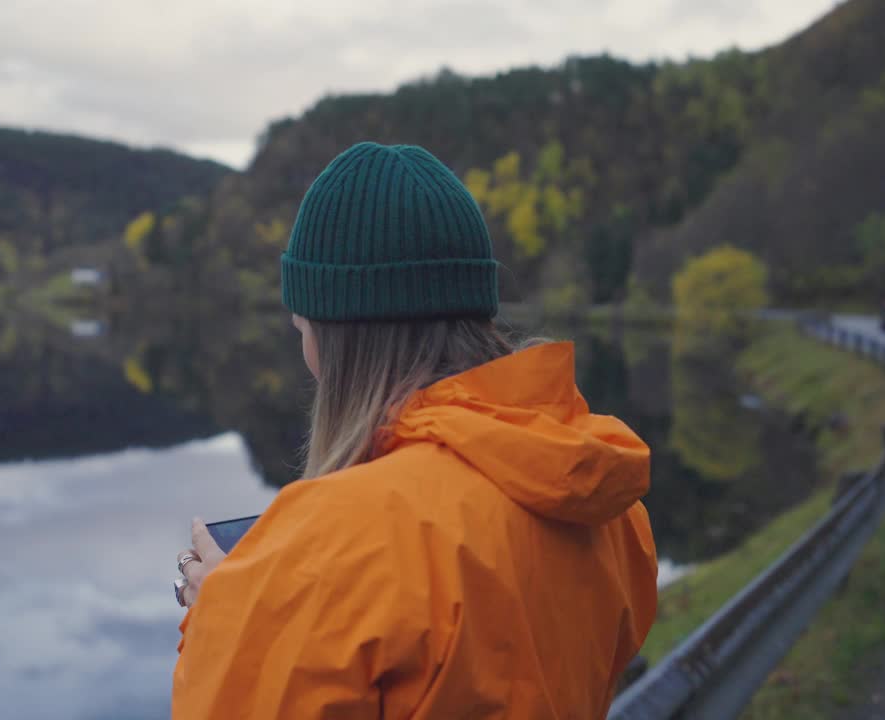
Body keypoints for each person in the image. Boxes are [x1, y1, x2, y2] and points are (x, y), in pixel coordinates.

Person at [172, 142, 657, 718]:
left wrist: (236, 613)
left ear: (332, 336)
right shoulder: (609, 505)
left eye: (301, 327)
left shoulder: (331, 547)